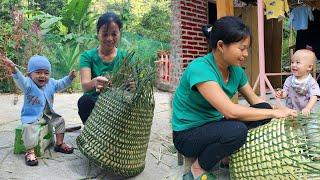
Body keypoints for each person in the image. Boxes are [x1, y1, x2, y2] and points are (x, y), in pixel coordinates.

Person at [171, 16, 298, 180]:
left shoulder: (236, 71)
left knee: (264, 109)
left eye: (247, 49)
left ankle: (224, 155)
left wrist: (279, 110)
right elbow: (229, 111)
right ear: (221, 45)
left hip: (214, 126)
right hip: (188, 134)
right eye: (241, 48)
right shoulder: (200, 68)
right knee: (237, 131)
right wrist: (273, 114)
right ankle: (197, 169)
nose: (245, 54)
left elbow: (256, 102)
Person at [0, 54, 75, 166]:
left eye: (46, 73)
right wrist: (14, 69)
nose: (42, 76)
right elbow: (20, 80)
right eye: (38, 72)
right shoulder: (28, 84)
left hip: (48, 114)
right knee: (28, 128)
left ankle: (59, 144)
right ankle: (30, 151)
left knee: (60, 121)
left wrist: (69, 78)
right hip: (33, 117)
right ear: (30, 74)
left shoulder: (51, 83)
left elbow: (61, 84)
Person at [77, 11, 134, 124]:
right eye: (105, 34)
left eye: (114, 34)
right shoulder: (87, 56)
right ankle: (93, 131)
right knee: (84, 101)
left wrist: (133, 86)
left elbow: (132, 89)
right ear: (98, 33)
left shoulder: (126, 57)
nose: (109, 38)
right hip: (95, 104)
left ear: (119, 34)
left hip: (118, 104)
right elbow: (85, 86)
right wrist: (94, 83)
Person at [276, 49, 320, 160]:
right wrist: (282, 94)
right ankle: (297, 150)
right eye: (292, 62)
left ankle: (315, 152)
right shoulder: (289, 80)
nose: (293, 65)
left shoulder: (311, 82)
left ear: (309, 67)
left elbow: (314, 96)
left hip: (308, 114)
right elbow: (285, 92)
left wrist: (308, 108)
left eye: (298, 62)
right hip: (293, 112)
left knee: (312, 132)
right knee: (294, 131)